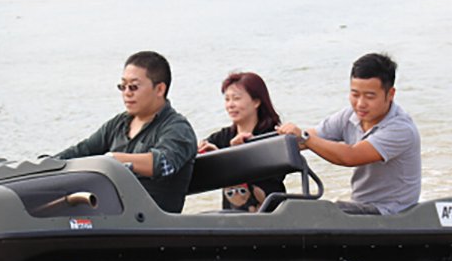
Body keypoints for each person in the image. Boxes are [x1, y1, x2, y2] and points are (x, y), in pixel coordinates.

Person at [277, 53, 420, 215]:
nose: (360, 104)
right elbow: (308, 138)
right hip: (361, 205)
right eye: (355, 94)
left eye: (369, 96)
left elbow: (350, 156)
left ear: (390, 94)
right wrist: (252, 142)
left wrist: (304, 138)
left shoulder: (400, 128)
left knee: (315, 213)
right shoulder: (349, 116)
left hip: (390, 212)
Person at [54, 51, 197, 213]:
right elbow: (83, 150)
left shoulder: (178, 128)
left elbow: (163, 164)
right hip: (112, 211)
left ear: (159, 89)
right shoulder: (119, 123)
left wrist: (113, 160)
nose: (127, 93)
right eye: (123, 86)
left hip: (150, 220)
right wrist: (48, 163)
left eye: (134, 87)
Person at [198, 72, 285, 212]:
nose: (230, 105)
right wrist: (209, 154)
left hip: (271, 216)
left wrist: (236, 154)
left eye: (236, 98)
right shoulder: (221, 138)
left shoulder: (272, 136)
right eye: (227, 99)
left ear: (256, 102)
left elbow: (275, 176)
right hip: (233, 220)